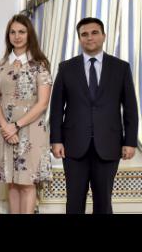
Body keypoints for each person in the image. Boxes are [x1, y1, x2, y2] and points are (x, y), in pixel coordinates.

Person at [50, 17, 138, 214]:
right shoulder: (66, 68)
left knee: (103, 203)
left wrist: (130, 141)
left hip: (109, 145)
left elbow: (130, 107)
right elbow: (56, 108)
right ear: (79, 39)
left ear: (104, 36)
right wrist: (56, 140)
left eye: (94, 33)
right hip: (73, 146)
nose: (89, 37)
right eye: (84, 34)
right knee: (74, 202)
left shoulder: (121, 67)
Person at [0, 14, 52, 214]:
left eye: (21, 32)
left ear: (29, 34)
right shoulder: (1, 64)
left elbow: (42, 103)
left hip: (31, 130)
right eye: (13, 32)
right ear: (8, 36)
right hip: (5, 130)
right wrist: (6, 127)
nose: (17, 36)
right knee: (12, 183)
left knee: (27, 184)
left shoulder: (40, 64)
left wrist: (16, 126)